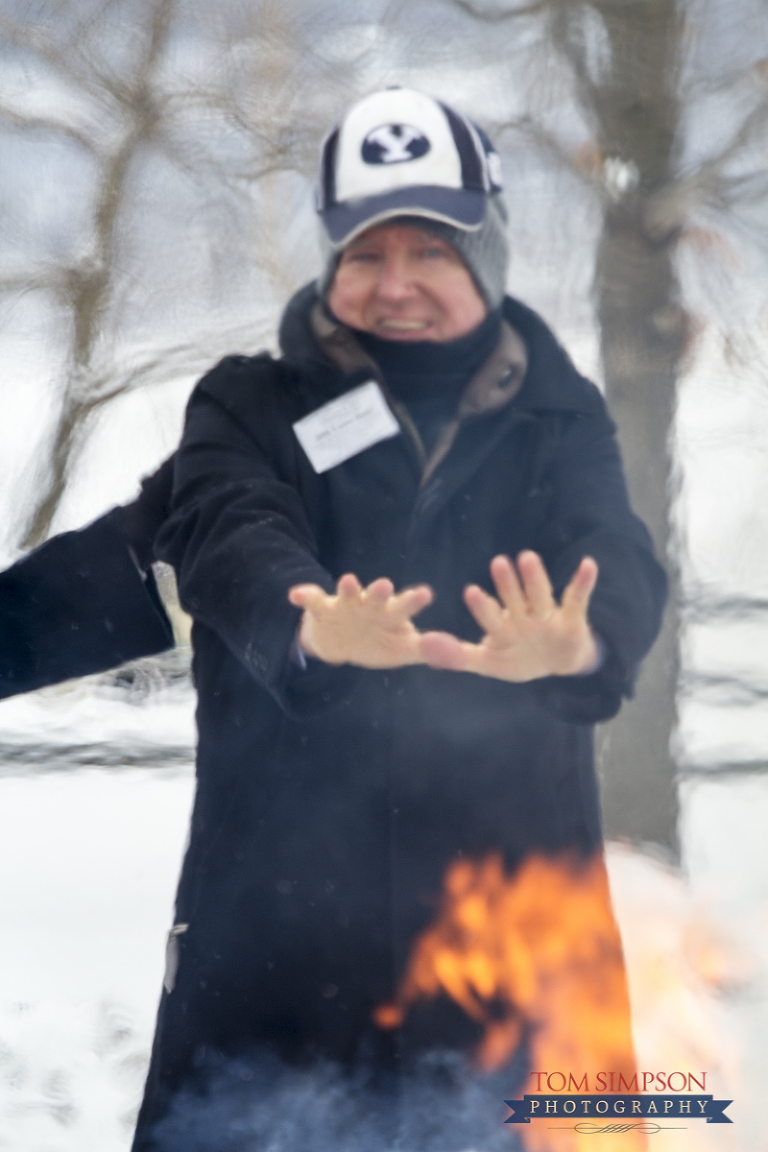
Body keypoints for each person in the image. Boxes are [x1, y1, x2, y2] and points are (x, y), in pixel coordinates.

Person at [31, 87, 662, 1150]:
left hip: (514, 991)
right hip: (273, 986)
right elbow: (218, 534)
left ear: (491, 256)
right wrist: (307, 627)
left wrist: (582, 642)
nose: (396, 284)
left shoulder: (563, 419)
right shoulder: (248, 409)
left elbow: (620, 561)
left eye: (433, 250)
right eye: (366, 253)